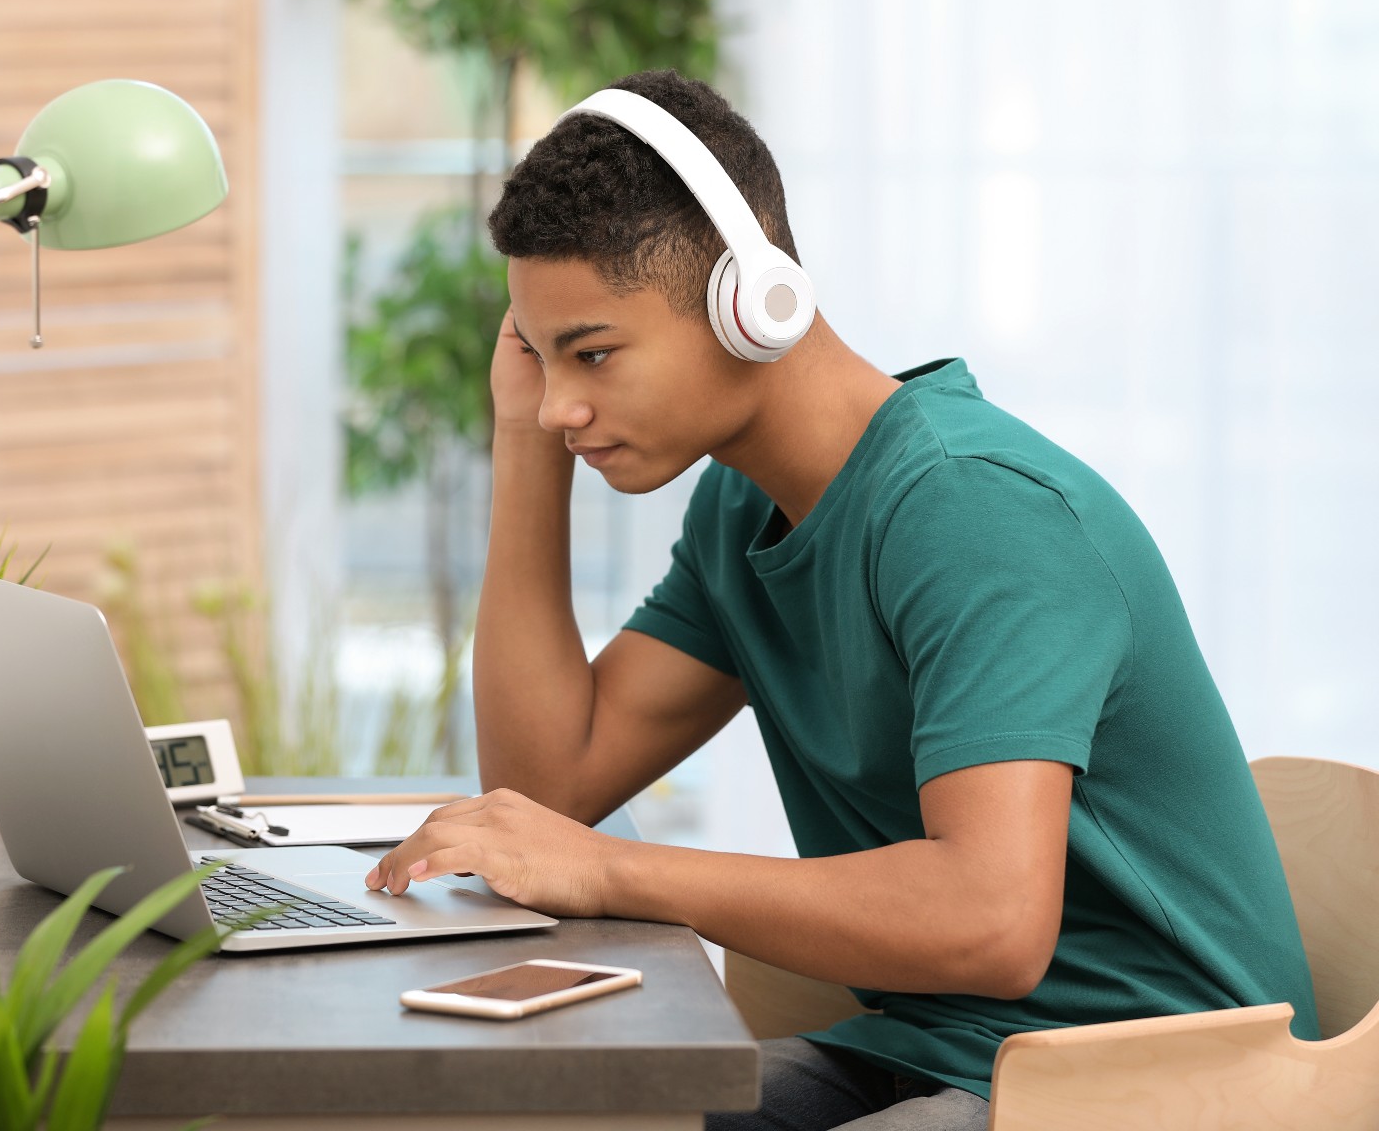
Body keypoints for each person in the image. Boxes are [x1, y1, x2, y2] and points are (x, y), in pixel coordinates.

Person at [361, 69, 1319, 1129]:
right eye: (540, 356)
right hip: (933, 1047)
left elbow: (993, 920)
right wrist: (524, 441)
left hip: (1156, 1078)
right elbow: (548, 785)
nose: (564, 403)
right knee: (571, 1112)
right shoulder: (743, 507)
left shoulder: (973, 510)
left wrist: (611, 870)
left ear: (752, 303)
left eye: (592, 353)